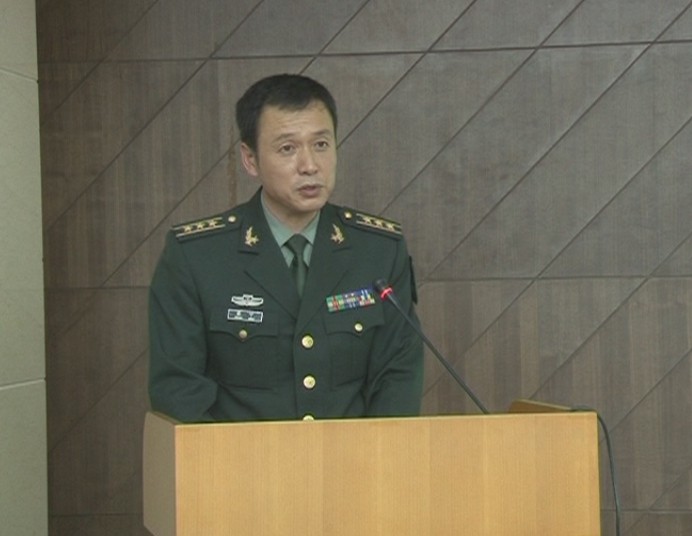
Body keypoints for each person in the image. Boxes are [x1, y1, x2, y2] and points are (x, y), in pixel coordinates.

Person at [148, 73, 423, 422]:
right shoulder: (196, 257)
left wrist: (375, 455)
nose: (309, 166)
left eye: (321, 145)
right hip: (238, 457)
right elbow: (178, 389)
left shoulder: (378, 250)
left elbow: (397, 377)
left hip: (355, 456)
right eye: (287, 149)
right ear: (250, 159)